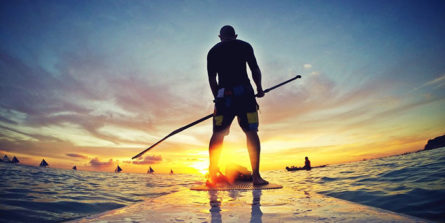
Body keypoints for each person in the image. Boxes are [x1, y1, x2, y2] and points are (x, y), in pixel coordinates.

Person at [207, 25, 268, 185]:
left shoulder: (213, 51)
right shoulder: (245, 46)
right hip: (245, 95)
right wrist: (259, 88)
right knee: (251, 132)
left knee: (218, 134)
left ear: (220, 37)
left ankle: (212, 176)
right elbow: (255, 69)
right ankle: (256, 176)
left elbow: (212, 80)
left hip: (223, 96)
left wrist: (217, 99)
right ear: (235, 35)